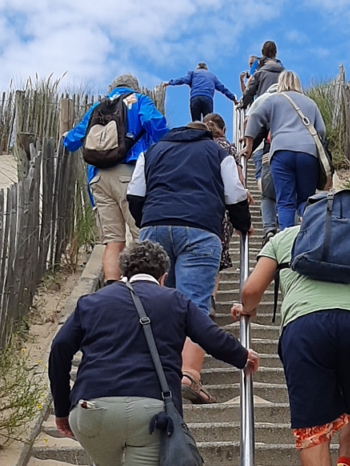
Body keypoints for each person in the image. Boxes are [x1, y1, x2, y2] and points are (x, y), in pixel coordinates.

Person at [49, 240, 260, 466]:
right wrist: (242, 356)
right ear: (164, 276)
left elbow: (59, 348)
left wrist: (62, 409)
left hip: (92, 406)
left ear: (123, 272)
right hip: (150, 410)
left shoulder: (91, 301)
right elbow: (210, 336)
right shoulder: (175, 300)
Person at [232, 217, 350, 466]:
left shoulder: (284, 238)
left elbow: (250, 290)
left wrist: (247, 309)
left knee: (313, 429)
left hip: (305, 329)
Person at [127, 121, 253, 404]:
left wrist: (147, 221)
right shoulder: (218, 152)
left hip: (155, 225)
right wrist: (243, 224)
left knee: (150, 302)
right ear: (206, 133)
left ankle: (149, 375)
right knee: (194, 304)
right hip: (200, 228)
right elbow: (234, 193)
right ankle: (189, 375)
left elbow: (134, 193)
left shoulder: (153, 150)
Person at [63, 73, 169, 284]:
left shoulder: (98, 107)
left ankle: (112, 291)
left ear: (113, 87)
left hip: (99, 179)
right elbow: (155, 124)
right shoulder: (139, 100)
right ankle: (146, 289)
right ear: (135, 87)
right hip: (130, 176)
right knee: (142, 236)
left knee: (113, 241)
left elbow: (72, 141)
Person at [244, 70, 326, 230]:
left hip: (281, 152)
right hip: (308, 154)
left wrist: (248, 145)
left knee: (285, 201)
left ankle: (286, 241)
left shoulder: (273, 100)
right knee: (306, 200)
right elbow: (321, 131)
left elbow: (254, 117)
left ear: (280, 83)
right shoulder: (310, 103)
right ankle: (311, 234)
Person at [203, 112, 253, 316]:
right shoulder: (228, 148)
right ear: (223, 129)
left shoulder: (198, 146)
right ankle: (210, 300)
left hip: (198, 205)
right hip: (222, 209)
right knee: (214, 253)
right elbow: (238, 180)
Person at [245, 83, 279, 242]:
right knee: (290, 194)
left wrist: (248, 143)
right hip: (295, 150)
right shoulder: (293, 101)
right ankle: (291, 230)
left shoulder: (264, 100)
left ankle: (269, 228)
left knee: (266, 193)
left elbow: (250, 118)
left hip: (265, 150)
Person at [162, 62, 237, 121]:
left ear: (197, 68)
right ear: (206, 69)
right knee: (208, 124)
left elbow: (184, 80)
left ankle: (196, 138)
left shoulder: (193, 73)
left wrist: (169, 83)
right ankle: (207, 139)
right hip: (207, 99)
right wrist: (233, 97)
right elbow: (222, 88)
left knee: (196, 124)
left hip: (195, 98)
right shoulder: (212, 76)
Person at [240, 40, 285, 109]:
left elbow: (250, 84)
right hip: (280, 105)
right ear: (275, 53)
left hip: (263, 105)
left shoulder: (258, 68)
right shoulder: (282, 68)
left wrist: (244, 104)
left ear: (262, 52)